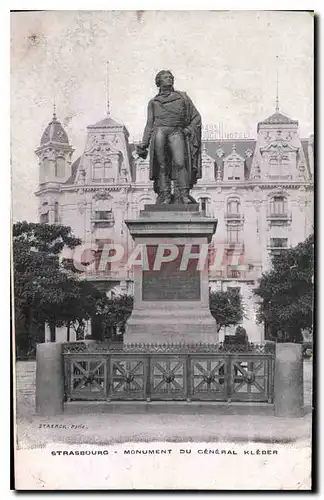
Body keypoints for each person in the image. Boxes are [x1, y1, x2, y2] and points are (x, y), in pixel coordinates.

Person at [136, 70, 202, 204]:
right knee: (162, 165)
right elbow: (149, 124)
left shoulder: (182, 97)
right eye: (165, 77)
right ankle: (165, 194)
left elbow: (196, 117)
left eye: (170, 77)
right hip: (159, 131)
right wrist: (144, 143)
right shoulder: (153, 102)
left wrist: (188, 130)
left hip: (176, 131)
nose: (169, 79)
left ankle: (183, 194)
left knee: (180, 163)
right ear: (159, 81)